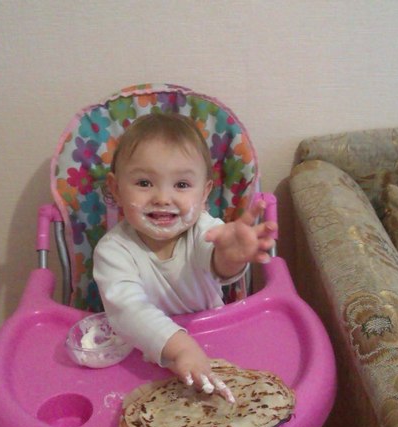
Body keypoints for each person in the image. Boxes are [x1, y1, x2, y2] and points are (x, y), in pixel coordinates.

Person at [93, 113, 276, 403]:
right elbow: (127, 311)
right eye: (144, 182)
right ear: (116, 189)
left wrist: (231, 256)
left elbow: (214, 261)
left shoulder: (205, 230)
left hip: (216, 344)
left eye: (181, 185)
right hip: (145, 355)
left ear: (204, 194)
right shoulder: (113, 250)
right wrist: (180, 348)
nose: (163, 198)